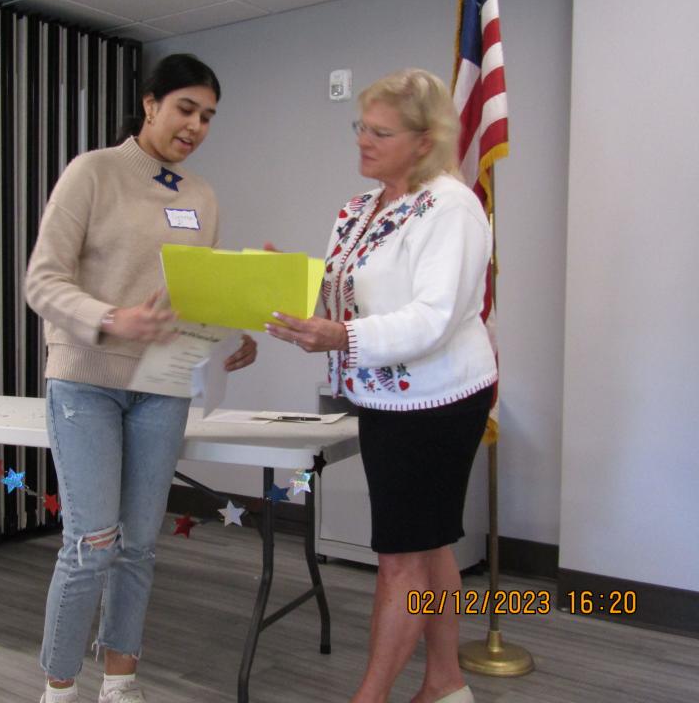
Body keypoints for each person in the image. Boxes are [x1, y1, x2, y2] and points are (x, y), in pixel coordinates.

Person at [25, 53, 257, 703]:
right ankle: (60, 686)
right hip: (87, 381)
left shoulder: (202, 197)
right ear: (151, 103)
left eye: (209, 116)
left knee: (138, 546)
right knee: (91, 543)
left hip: (164, 386)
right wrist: (110, 318)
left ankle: (120, 681)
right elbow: (41, 280)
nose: (197, 126)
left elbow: (198, 298)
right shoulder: (93, 173)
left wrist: (237, 335)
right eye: (186, 108)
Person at [265, 69, 497, 703]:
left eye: (380, 131)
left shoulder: (451, 206)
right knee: (428, 545)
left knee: (402, 557)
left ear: (424, 141)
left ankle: (369, 698)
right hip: (386, 399)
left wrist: (340, 339)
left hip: (438, 401)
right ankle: (447, 685)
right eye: (360, 126)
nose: (363, 140)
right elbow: (346, 293)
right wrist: (282, 282)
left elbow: (434, 316)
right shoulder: (361, 208)